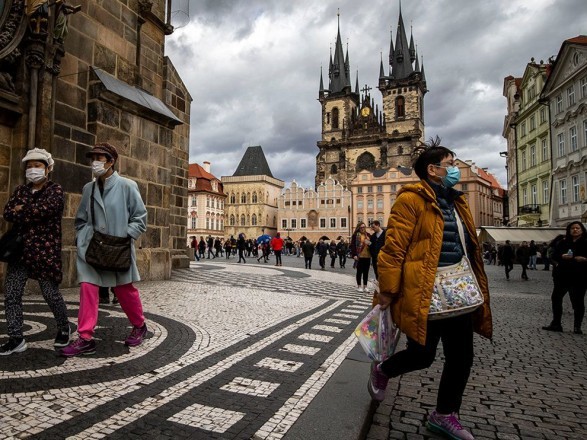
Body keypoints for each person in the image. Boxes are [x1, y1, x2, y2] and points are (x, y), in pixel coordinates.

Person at [371, 138, 492, 440]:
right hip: (424, 288)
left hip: (458, 289)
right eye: (450, 165)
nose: (454, 169)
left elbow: (467, 245)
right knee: (422, 355)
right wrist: (387, 290)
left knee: (462, 357)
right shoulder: (410, 200)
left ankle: (445, 414)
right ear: (433, 170)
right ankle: (384, 369)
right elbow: (393, 247)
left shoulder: (456, 200)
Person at [60, 143, 148, 357]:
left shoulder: (128, 186)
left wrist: (126, 234)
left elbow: (140, 217)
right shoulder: (88, 188)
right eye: (94, 158)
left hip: (117, 248)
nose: (95, 162)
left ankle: (139, 325)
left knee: (124, 290)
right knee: (88, 288)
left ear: (111, 161)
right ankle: (85, 337)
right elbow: (81, 219)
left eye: (101, 158)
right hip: (93, 248)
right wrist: (83, 237)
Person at [0, 148, 71, 355]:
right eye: (29, 166)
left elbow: (46, 210)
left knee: (50, 293)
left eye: (37, 165)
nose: (33, 170)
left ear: (47, 168)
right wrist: (25, 211)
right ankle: (16, 337)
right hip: (20, 250)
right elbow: (8, 212)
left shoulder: (55, 190)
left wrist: (23, 210)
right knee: (12, 294)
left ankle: (64, 327)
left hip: (44, 250)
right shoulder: (21, 190)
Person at [542, 221, 587, 335]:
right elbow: (553, 255)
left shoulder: (586, 242)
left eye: (577, 228)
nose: (575, 230)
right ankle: (556, 323)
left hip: (579, 276)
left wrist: (585, 259)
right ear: (569, 230)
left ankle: (577, 326)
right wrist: (562, 256)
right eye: (573, 228)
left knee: (577, 302)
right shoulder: (563, 242)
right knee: (556, 298)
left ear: (582, 230)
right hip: (562, 275)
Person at [350, 222, 371, 292]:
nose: (363, 229)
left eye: (364, 227)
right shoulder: (355, 235)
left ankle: (365, 286)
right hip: (359, 256)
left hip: (367, 256)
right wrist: (354, 255)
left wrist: (369, 242)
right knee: (359, 272)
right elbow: (353, 245)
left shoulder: (368, 235)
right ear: (359, 228)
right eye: (361, 227)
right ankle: (359, 286)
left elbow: (371, 245)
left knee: (366, 272)